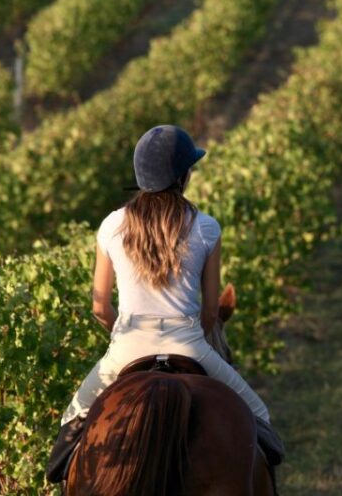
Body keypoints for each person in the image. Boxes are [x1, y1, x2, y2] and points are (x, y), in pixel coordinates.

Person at [46, 125, 280, 483]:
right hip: (189, 343)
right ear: (184, 176)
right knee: (259, 418)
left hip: (127, 347)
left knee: (69, 432)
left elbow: (99, 307)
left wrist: (121, 333)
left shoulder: (111, 226)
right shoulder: (206, 227)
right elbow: (209, 313)